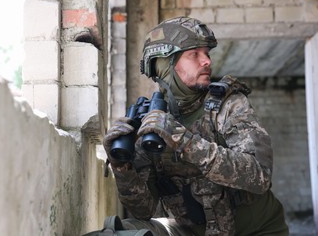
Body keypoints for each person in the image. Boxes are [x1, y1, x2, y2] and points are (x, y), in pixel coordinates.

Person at [102, 16, 289, 236]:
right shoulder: (151, 123)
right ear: (164, 64)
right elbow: (143, 209)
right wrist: (122, 166)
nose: (207, 61)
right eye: (194, 54)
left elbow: (259, 176)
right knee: (120, 232)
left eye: (207, 54)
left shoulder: (229, 104)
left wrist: (184, 141)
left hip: (257, 230)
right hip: (191, 232)